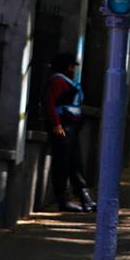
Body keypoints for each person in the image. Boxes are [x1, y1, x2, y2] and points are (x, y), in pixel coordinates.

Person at [42, 52, 93, 213]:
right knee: (62, 164)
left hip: (71, 129)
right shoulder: (58, 81)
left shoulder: (67, 81)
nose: (73, 69)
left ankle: (85, 198)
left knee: (75, 162)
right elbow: (49, 103)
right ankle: (63, 200)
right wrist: (57, 124)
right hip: (63, 128)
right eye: (71, 66)